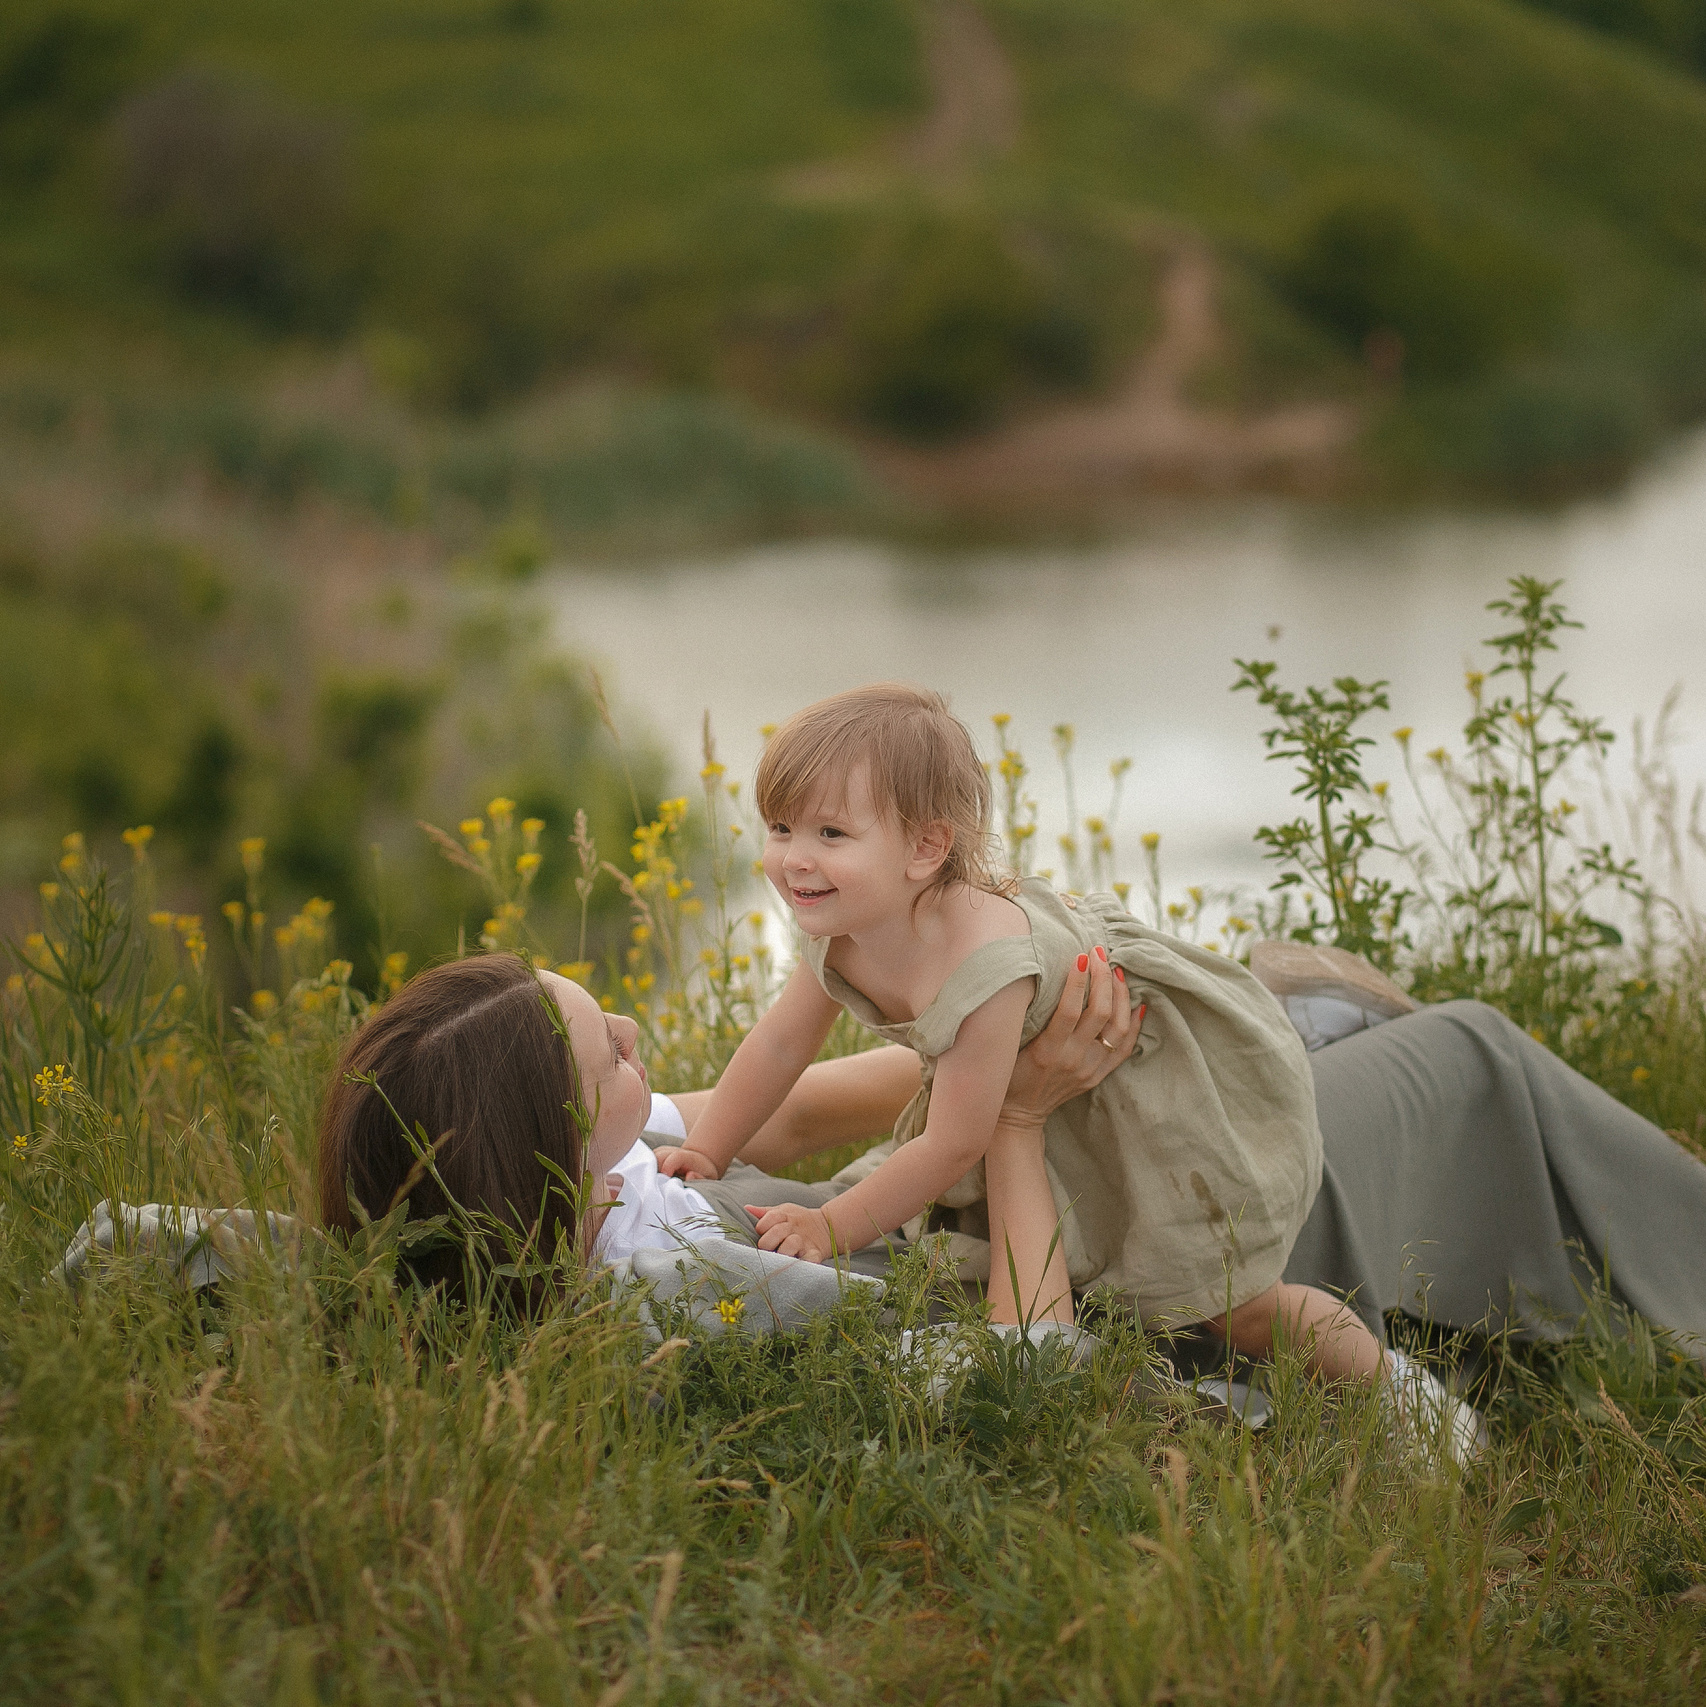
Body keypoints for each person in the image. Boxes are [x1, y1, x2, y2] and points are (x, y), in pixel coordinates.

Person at [649, 684, 1386, 1385]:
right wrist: (710, 1146)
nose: (793, 857)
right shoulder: (842, 923)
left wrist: (830, 1227)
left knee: (1233, 1304)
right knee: (1096, 1273)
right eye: (781, 827)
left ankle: (1399, 1393)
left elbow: (953, 1142)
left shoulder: (985, 965)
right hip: (1052, 1092)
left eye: (830, 833)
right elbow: (780, 1046)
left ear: (925, 849)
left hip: (1146, 1084)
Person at [317, 947, 1142, 1326]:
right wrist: (1015, 1117)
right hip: (1002, 1265)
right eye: (610, 1049)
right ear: (555, 1151)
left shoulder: (603, 1171)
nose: (630, 1023)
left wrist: (993, 1056)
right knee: (1222, 1313)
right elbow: (1019, 1364)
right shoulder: (688, 1284)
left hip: (928, 1178)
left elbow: (795, 1114)